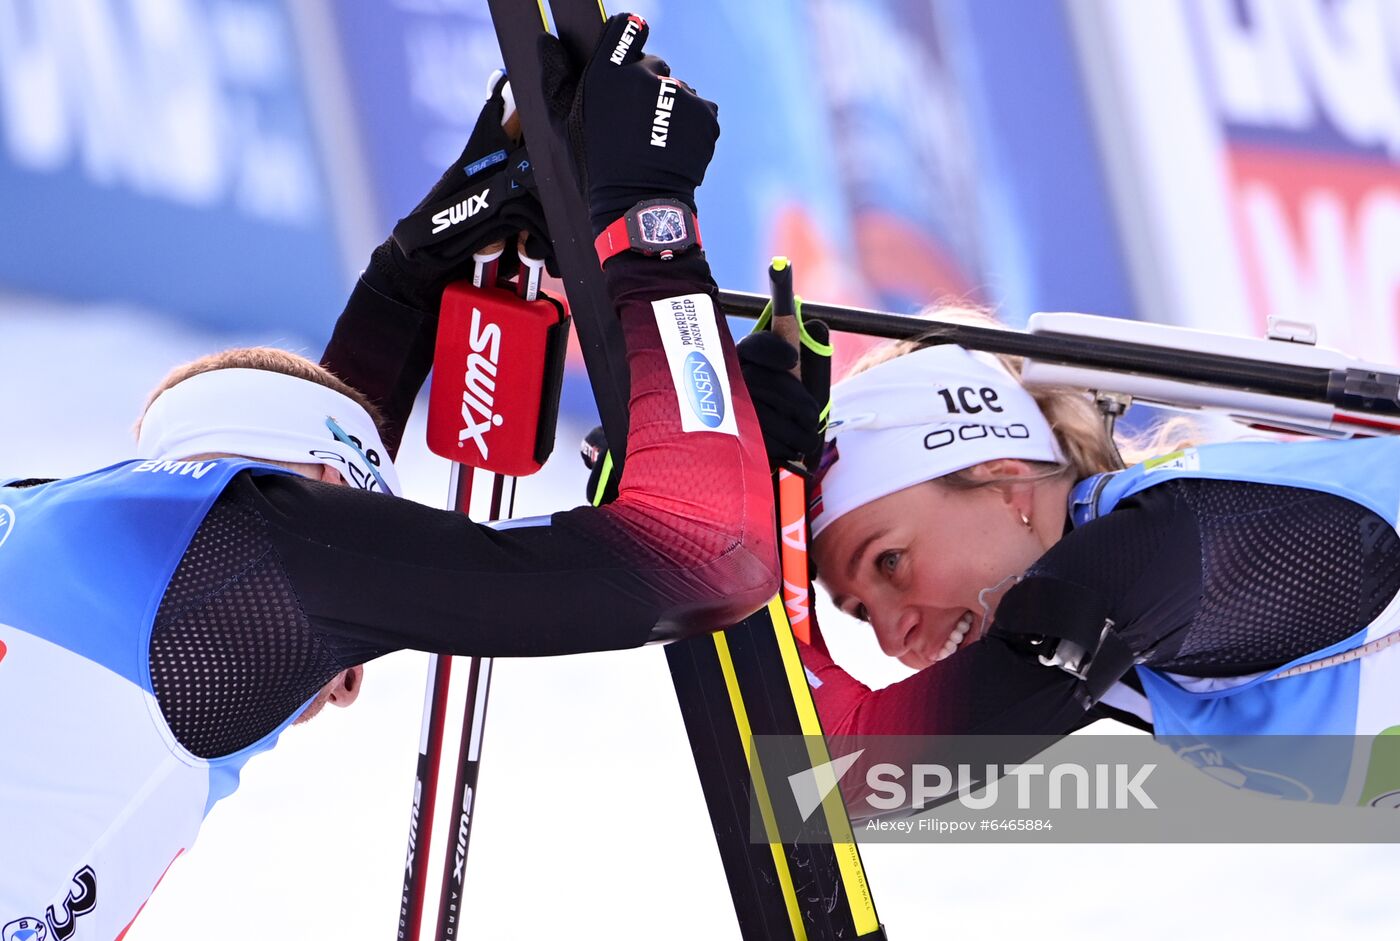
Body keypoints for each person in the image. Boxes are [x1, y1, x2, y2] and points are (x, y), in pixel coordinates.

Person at [0, 15, 777, 939]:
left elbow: (312, 510)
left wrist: (412, 270)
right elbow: (713, 552)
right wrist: (651, 226)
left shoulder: (71, 521)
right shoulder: (238, 571)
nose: (347, 684)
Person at [734, 312, 1400, 813]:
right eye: (857, 612)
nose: (890, 637)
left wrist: (733, 525)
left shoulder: (1163, 549)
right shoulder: (1125, 659)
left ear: (1004, 480)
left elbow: (842, 772)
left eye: (890, 562)